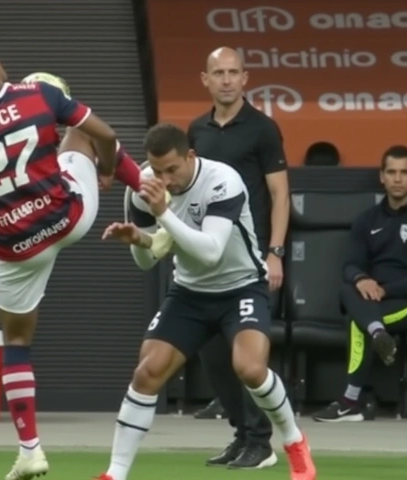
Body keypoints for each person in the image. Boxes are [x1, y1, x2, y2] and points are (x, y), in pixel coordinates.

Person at [0, 38, 145, 480]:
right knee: (80, 130)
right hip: (69, 218)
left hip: (15, 245)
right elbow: (108, 136)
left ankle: (30, 450)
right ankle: (153, 202)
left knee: (17, 342)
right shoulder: (37, 94)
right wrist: (110, 169)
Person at [97, 123, 315, 480]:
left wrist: (163, 214)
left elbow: (211, 251)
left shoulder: (222, 180)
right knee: (147, 372)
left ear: (191, 157)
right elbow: (149, 261)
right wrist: (137, 240)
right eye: (157, 170)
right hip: (190, 293)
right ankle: (115, 473)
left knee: (251, 369)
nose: (165, 180)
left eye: (173, 169)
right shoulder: (142, 190)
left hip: (242, 286)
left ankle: (294, 441)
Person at [187, 46, 290, 468]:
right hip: (208, 262)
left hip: (253, 261)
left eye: (233, 72)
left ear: (246, 78)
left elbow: (280, 193)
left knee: (247, 355)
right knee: (212, 355)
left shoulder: (263, 129)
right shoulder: (196, 131)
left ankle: (262, 443)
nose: (227, 80)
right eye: (219, 73)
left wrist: (276, 252)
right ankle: (240, 435)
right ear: (205, 79)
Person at [313, 145, 407, 422]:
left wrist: (385, 289)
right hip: (374, 301)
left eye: (404, 172)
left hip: (401, 300)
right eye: (392, 172)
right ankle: (379, 334)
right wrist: (362, 278)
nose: (398, 179)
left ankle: (350, 401)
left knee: (358, 319)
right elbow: (350, 265)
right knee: (348, 289)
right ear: (382, 177)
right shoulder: (368, 219)